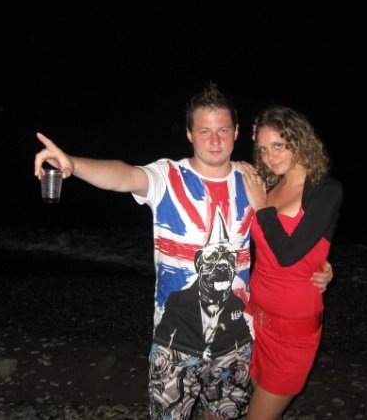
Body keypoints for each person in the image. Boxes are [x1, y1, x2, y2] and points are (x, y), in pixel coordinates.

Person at [34, 83, 334, 420]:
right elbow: (123, 176)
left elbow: (286, 232)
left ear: (236, 132)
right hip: (174, 346)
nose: (215, 140)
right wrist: (72, 163)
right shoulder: (167, 175)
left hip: (237, 343)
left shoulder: (253, 179)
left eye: (223, 130)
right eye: (204, 131)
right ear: (190, 134)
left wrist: (320, 266)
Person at [239, 105, 343, 420]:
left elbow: (287, 254)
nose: (270, 156)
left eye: (278, 145)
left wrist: (261, 207)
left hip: (291, 334)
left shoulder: (325, 190)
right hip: (253, 321)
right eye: (263, 149)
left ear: (299, 141)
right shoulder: (269, 186)